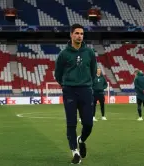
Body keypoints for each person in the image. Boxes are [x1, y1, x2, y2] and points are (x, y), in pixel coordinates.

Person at [54, 23, 97, 164]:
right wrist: (66, 85)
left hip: (85, 90)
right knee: (71, 124)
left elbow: (92, 71)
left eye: (82, 33)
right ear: (71, 35)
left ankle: (81, 140)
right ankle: (75, 152)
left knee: (88, 124)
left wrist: (87, 84)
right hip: (70, 91)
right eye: (77, 33)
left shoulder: (89, 53)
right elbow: (58, 74)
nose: (79, 36)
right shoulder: (64, 54)